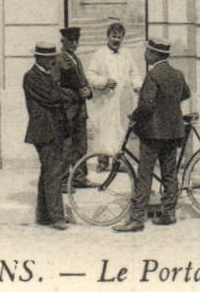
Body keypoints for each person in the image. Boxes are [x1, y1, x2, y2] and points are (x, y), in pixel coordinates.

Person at [117, 37, 191, 232]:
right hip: (173, 132)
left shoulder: (152, 75)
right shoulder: (177, 74)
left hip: (152, 133)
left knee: (144, 174)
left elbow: (146, 104)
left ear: (155, 54)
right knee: (169, 174)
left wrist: (134, 116)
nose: (145, 54)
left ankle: (137, 219)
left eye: (148, 51)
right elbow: (185, 94)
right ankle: (168, 213)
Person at [22, 42, 80, 230]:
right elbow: (52, 97)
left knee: (48, 172)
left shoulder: (46, 75)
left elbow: (57, 94)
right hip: (44, 131)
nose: (54, 61)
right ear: (41, 59)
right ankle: (57, 217)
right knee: (54, 172)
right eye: (51, 58)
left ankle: (44, 214)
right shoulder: (32, 77)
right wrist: (71, 94)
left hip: (52, 130)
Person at [85, 21, 142, 173]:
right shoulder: (100, 54)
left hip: (123, 99)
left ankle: (119, 162)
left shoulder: (127, 54)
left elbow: (134, 72)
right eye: (113, 36)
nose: (116, 40)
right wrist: (104, 81)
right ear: (108, 37)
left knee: (121, 129)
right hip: (105, 100)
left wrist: (137, 85)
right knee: (104, 131)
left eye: (119, 37)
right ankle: (102, 162)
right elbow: (90, 75)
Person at [56, 26, 94, 188]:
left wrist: (88, 91)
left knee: (81, 145)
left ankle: (79, 177)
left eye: (75, 40)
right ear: (62, 41)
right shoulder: (59, 59)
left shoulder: (75, 59)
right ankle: (64, 180)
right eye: (70, 40)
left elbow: (83, 81)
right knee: (66, 146)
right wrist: (78, 93)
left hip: (80, 111)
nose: (73, 43)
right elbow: (57, 87)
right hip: (67, 111)